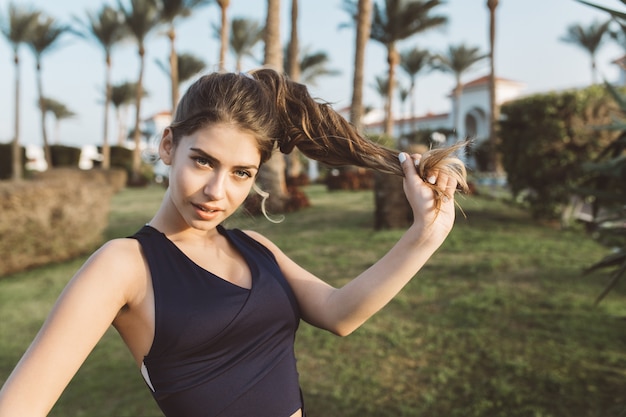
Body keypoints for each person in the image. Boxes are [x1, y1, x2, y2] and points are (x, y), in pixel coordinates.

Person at [0, 68, 467, 417]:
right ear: (168, 146)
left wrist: (426, 234)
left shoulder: (255, 248)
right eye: (202, 161)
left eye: (241, 172)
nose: (216, 191)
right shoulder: (125, 265)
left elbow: (340, 313)